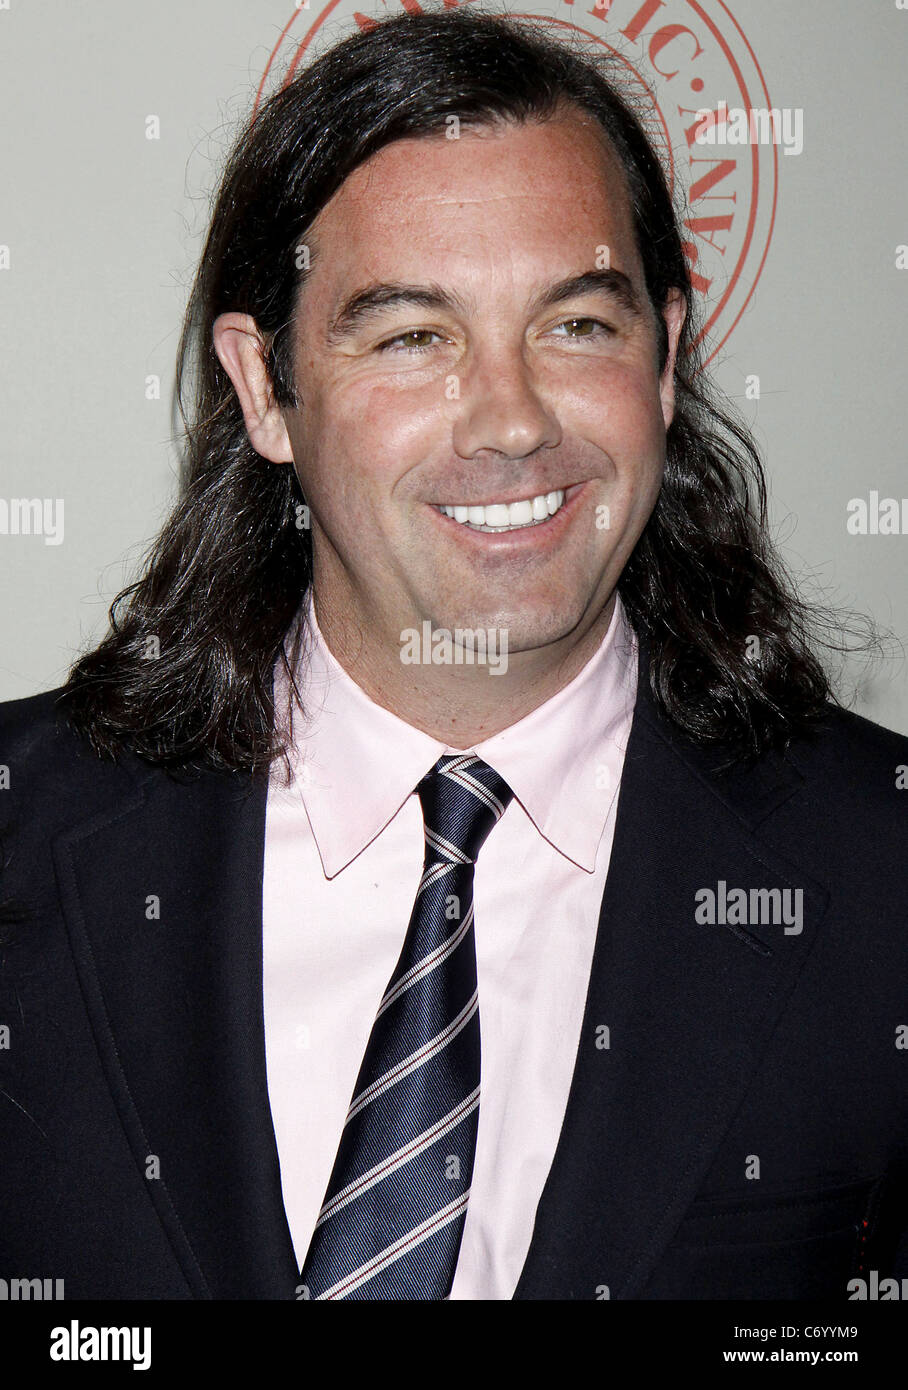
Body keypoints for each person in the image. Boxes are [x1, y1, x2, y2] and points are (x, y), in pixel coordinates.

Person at [0, 8, 905, 1302]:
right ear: (265, 390)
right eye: (414, 335)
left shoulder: (879, 878)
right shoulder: (25, 845)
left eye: (578, 326)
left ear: (663, 356)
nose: (514, 420)